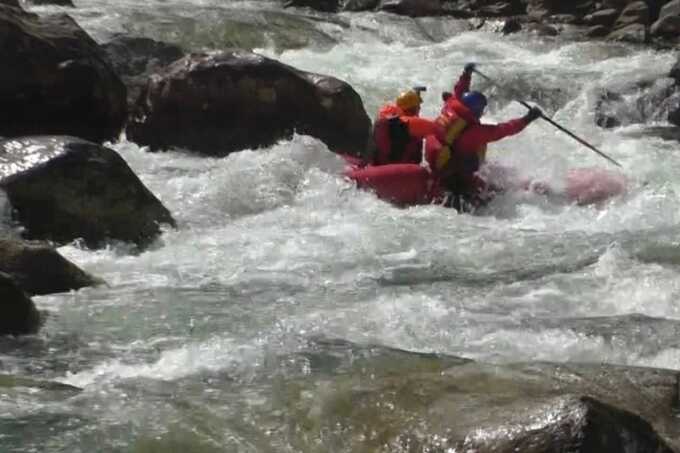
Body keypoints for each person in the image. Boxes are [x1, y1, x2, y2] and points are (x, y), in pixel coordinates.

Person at [425, 63, 543, 211]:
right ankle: (464, 193)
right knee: (473, 160)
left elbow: (460, 91)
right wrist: (528, 118)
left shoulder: (451, 106)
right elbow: (504, 129)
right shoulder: (475, 132)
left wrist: (466, 74)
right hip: (454, 172)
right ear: (477, 111)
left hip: (439, 159)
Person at [371, 86, 443, 166]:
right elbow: (435, 129)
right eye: (418, 107)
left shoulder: (390, 117)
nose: (419, 108)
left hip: (381, 162)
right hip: (398, 166)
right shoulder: (407, 122)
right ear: (413, 109)